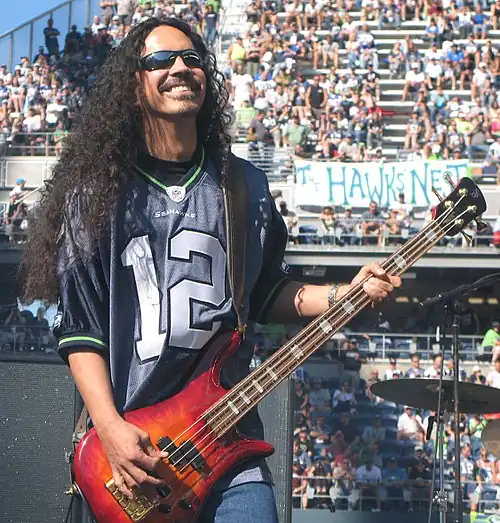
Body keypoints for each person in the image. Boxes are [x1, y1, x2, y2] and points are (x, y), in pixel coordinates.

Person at [20, 18, 400, 522]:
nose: (181, 68)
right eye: (161, 60)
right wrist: (109, 427)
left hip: (226, 441)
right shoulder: (95, 194)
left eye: (192, 59)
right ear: (133, 85)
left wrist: (343, 294)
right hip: (136, 443)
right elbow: (81, 327)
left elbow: (266, 292)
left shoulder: (244, 186)